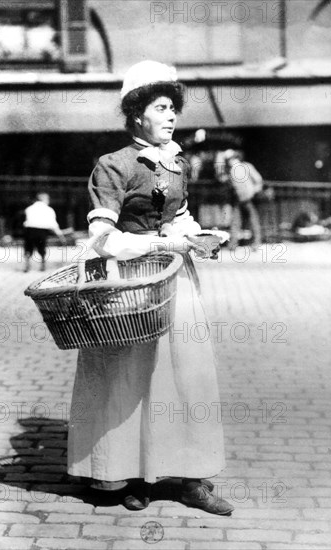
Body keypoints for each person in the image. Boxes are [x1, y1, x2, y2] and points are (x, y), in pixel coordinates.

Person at [67, 60, 234, 515]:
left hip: (176, 282)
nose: (171, 116)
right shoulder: (113, 165)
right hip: (130, 284)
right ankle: (131, 474)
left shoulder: (177, 162)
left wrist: (199, 237)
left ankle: (192, 478)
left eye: (173, 108)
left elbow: (178, 216)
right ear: (137, 113)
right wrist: (166, 241)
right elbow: (102, 239)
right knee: (132, 380)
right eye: (161, 107)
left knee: (186, 376)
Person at [222, 149, 264, 249]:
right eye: (228, 160)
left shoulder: (246, 166)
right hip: (239, 198)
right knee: (236, 221)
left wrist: (253, 191)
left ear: (236, 158)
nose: (229, 161)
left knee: (252, 220)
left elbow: (258, 180)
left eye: (230, 159)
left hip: (249, 198)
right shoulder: (231, 171)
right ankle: (233, 244)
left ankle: (256, 242)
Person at [23, 192, 65, 272]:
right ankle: (43, 265)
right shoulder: (49, 210)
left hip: (29, 230)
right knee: (41, 248)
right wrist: (60, 235)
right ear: (44, 200)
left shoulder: (29, 209)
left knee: (28, 248)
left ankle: (27, 266)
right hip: (41, 231)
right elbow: (53, 224)